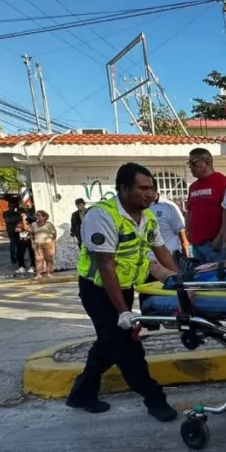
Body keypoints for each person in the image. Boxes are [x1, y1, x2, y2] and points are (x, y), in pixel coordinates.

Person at [66, 162, 179, 422]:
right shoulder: (101, 216)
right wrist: (123, 311)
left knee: (108, 346)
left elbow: (162, 252)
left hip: (124, 288)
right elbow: (106, 265)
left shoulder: (147, 217)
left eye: (152, 188)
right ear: (124, 189)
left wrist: (181, 283)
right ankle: (155, 399)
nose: (150, 194)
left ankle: (81, 394)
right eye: (143, 188)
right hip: (98, 291)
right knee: (128, 348)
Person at [186, 147, 226, 263]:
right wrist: (188, 231)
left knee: (217, 273)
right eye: (188, 163)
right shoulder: (193, 187)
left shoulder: (223, 182)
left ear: (206, 162)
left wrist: (221, 236)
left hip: (214, 245)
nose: (190, 167)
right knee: (199, 273)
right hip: (196, 244)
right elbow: (189, 211)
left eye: (193, 163)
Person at [148, 191, 188, 262]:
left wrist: (186, 257)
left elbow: (182, 232)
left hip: (170, 258)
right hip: (147, 260)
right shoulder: (137, 208)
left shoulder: (170, 206)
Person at [30, 210, 58, 279]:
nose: (37, 217)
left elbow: (54, 234)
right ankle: (39, 274)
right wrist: (32, 242)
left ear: (44, 217)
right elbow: (31, 234)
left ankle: (49, 273)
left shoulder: (49, 224)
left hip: (48, 243)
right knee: (38, 259)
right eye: (36, 215)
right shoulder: (34, 224)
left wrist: (53, 242)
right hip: (37, 243)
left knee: (49, 259)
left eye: (39, 215)